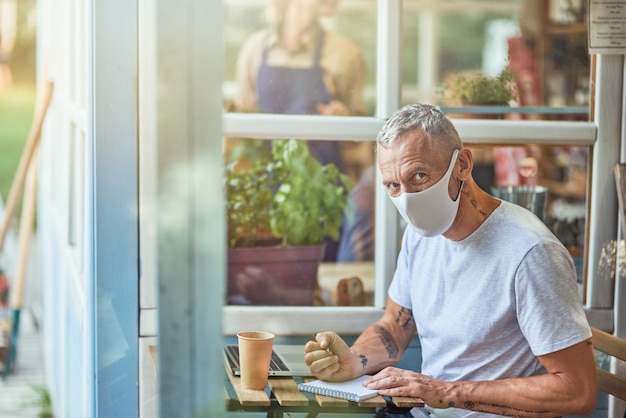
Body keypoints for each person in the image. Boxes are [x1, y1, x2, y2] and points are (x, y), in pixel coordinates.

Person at [304, 103, 598, 417]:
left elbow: (577, 391)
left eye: (419, 176)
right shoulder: (421, 236)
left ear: (462, 165)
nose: (407, 197)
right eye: (393, 185)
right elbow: (394, 327)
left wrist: (446, 392)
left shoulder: (531, 252)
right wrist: (352, 360)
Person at [233, 0, 370, 261]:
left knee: (321, 268)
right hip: (263, 186)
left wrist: (343, 119)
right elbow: (243, 123)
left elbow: (360, 143)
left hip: (321, 190)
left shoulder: (345, 54)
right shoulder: (255, 48)